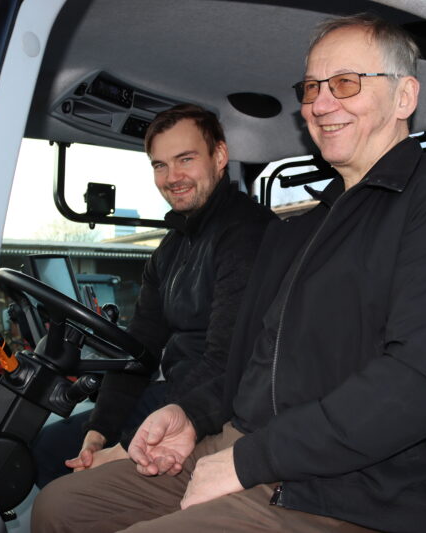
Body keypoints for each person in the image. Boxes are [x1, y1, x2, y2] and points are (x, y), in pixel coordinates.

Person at [32, 13, 426, 533]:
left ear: (404, 97)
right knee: (59, 508)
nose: (320, 104)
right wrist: (192, 416)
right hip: (254, 443)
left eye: (345, 83)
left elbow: (420, 384)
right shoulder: (303, 229)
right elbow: (246, 359)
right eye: (312, 88)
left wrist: (248, 462)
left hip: (360, 487)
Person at [31, 104, 273, 486]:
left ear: (219, 156)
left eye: (186, 159)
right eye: (160, 165)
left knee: (64, 484)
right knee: (46, 450)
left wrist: (124, 447)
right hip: (173, 392)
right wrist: (99, 432)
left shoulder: (247, 234)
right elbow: (138, 347)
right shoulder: (172, 247)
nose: (172, 177)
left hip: (214, 408)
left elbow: (227, 362)